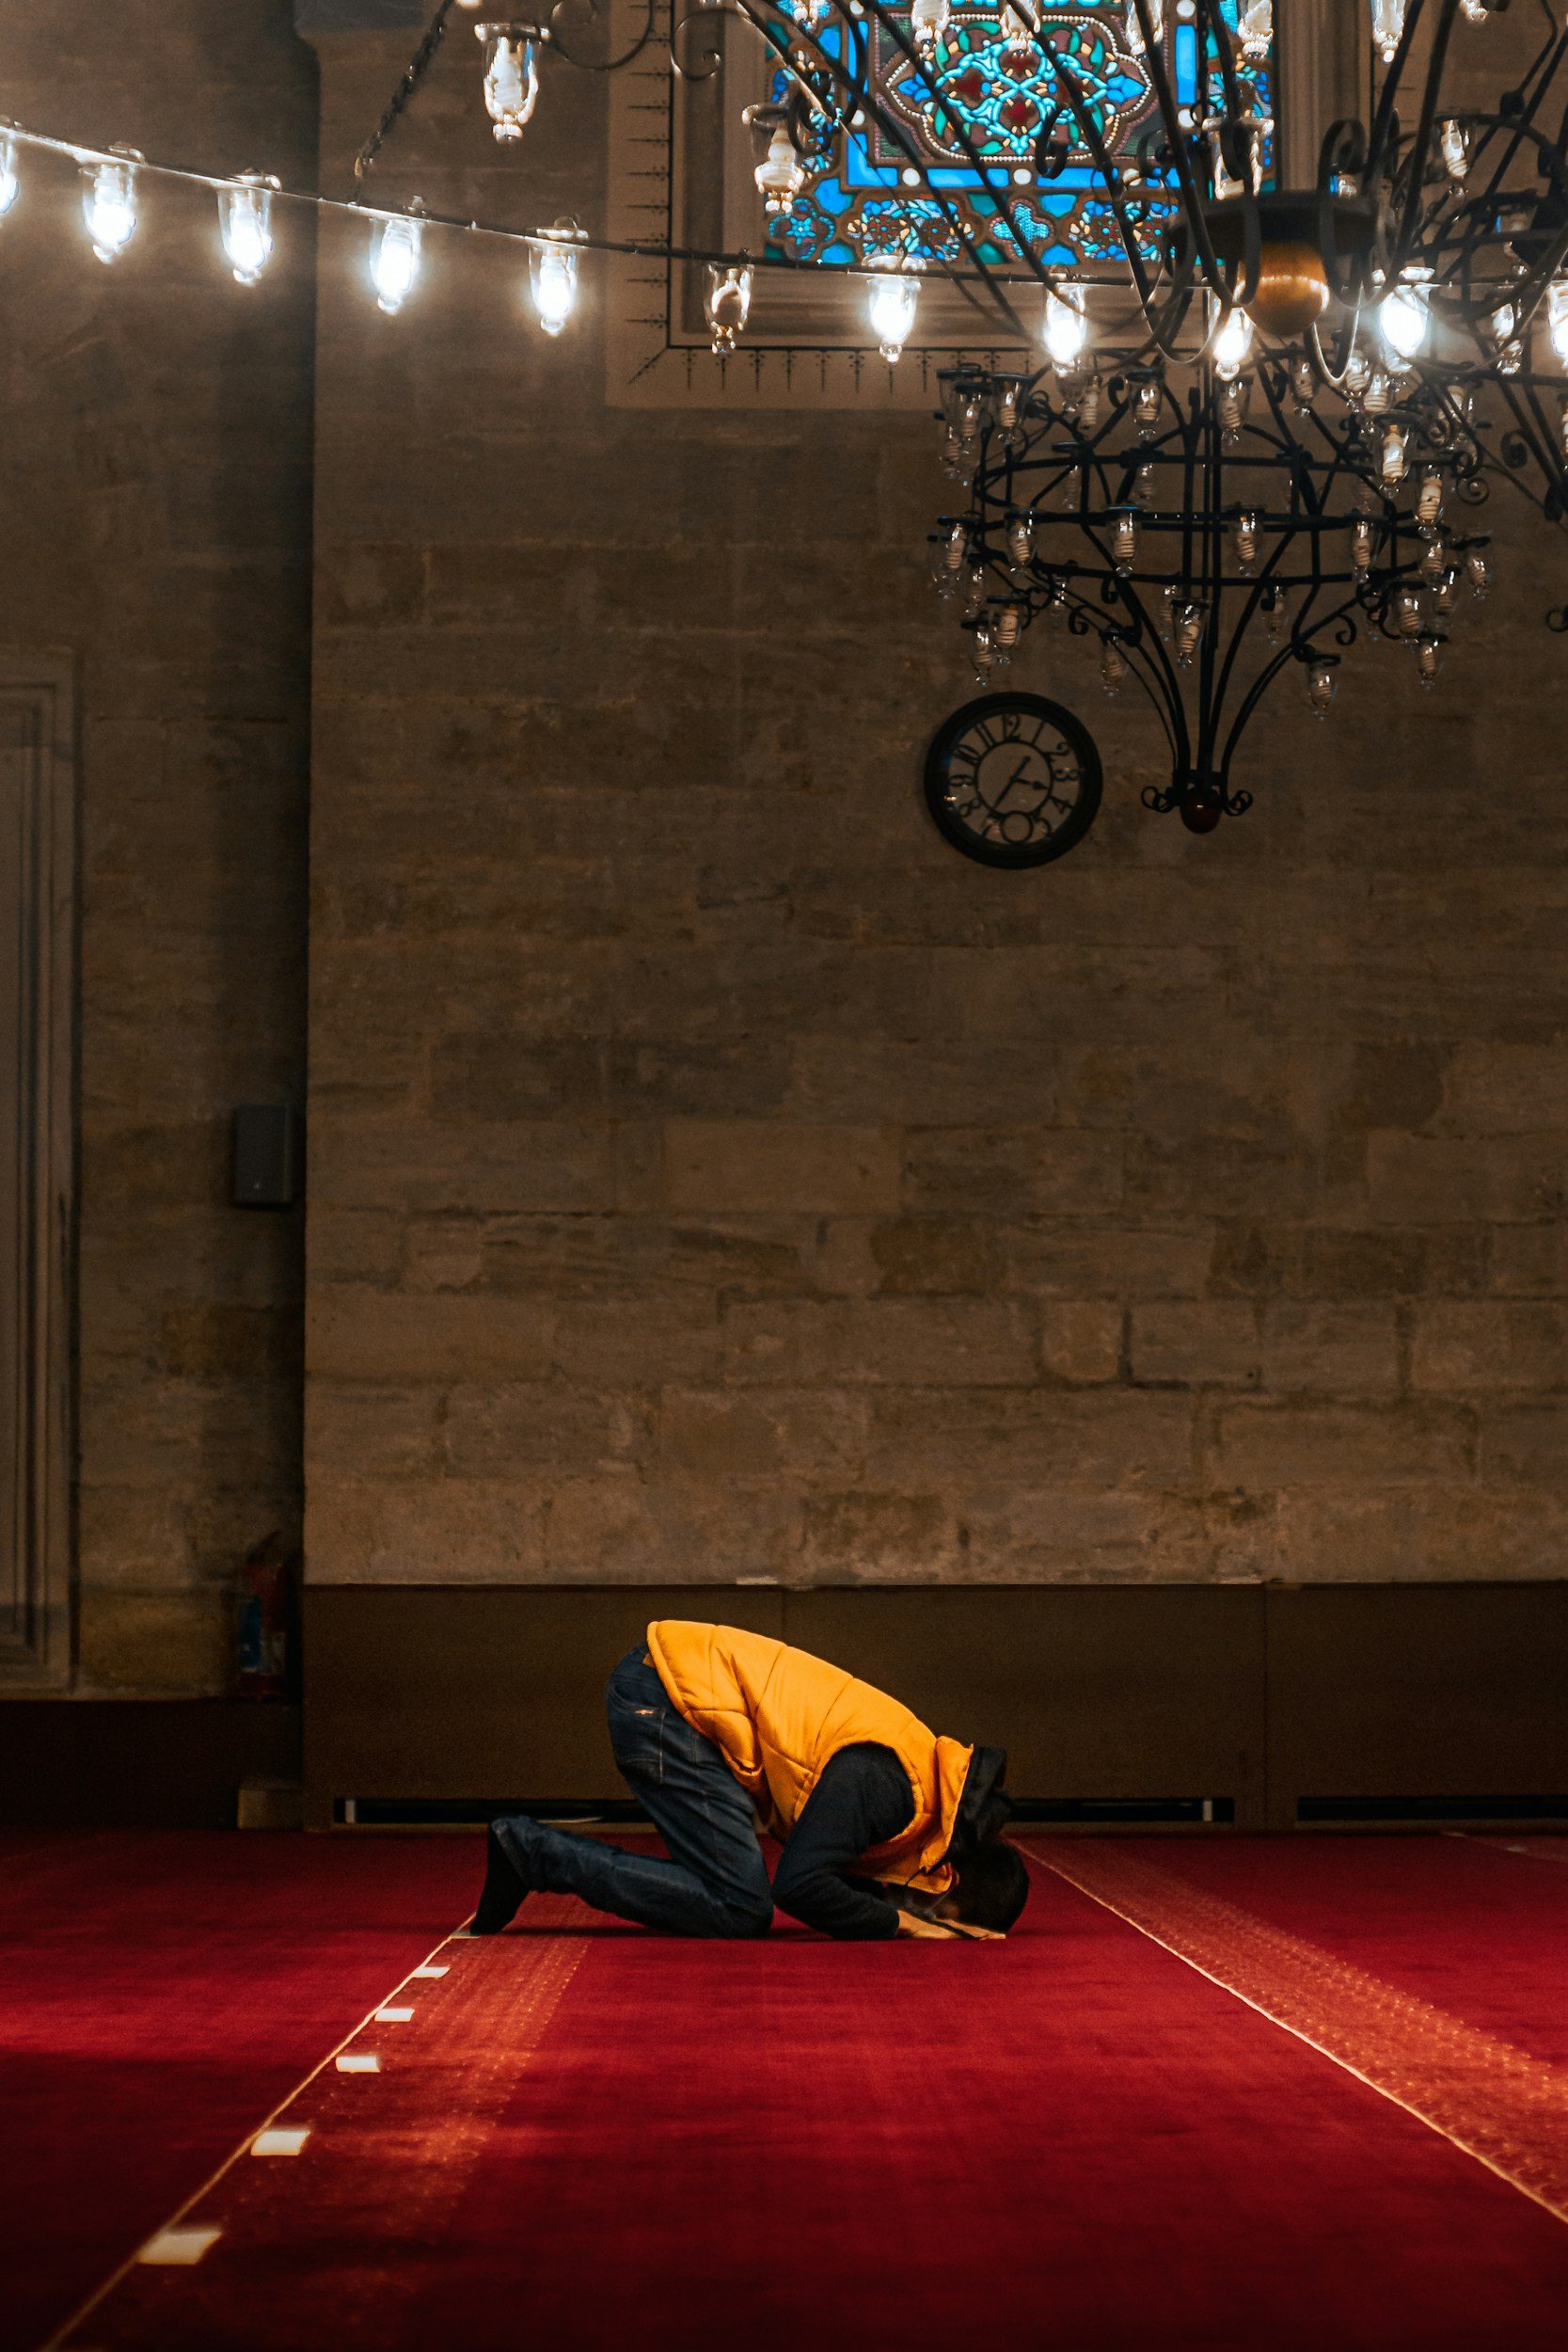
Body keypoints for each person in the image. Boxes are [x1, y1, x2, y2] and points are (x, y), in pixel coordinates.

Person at [468, 1619, 1030, 1943]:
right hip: (668, 1700)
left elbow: (836, 1876)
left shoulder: (922, 1798)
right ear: (948, 1877)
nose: (927, 1914)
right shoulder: (895, 1787)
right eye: (942, 1915)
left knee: (730, 1892)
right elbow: (800, 1884)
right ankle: (532, 1853)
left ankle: (531, 1853)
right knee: (741, 1905)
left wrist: (884, 1911)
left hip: (673, 1695)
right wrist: (903, 1927)